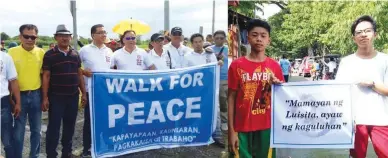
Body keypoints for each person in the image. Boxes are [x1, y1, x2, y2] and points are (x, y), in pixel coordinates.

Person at [228, 19, 284, 158]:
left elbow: (284, 100)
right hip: (241, 128)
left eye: (263, 36)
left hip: (267, 128)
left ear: (268, 40)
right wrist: (231, 131)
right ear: (247, 38)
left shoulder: (275, 66)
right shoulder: (236, 65)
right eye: (255, 35)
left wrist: (277, 87)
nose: (259, 39)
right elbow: (231, 98)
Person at [336, 15, 388, 158]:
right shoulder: (346, 62)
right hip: (355, 121)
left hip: (382, 119)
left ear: (375, 34)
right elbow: (338, 92)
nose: (363, 35)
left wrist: (372, 84)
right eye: (358, 32)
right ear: (354, 38)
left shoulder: (385, 60)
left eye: (367, 31)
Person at [42, 24, 87, 158]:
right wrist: (45, 97)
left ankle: (66, 153)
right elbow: (46, 76)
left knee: (69, 127)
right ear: (56, 37)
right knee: (54, 128)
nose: (64, 38)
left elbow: (79, 74)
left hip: (73, 97)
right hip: (56, 97)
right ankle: (51, 154)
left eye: (67, 36)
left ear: (71, 38)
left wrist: (83, 93)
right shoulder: (50, 55)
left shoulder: (75, 54)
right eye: (61, 36)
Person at [8, 24, 45, 158]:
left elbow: (44, 75)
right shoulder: (11, 52)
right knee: (18, 131)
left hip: (36, 95)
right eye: (26, 36)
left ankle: (33, 155)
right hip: (19, 97)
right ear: (20, 37)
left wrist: (45, 97)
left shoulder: (41, 53)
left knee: (36, 131)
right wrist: (11, 99)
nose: (30, 39)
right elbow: (8, 78)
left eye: (33, 37)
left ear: (37, 38)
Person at [79, 24, 113, 158]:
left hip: (106, 92)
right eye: (100, 33)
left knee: (106, 119)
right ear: (93, 35)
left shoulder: (109, 51)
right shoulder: (84, 50)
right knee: (89, 121)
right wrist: (83, 71)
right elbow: (76, 67)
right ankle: (87, 148)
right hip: (90, 91)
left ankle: (103, 145)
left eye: (105, 32)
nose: (104, 35)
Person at [209, 30, 229, 148]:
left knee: (224, 100)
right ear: (213, 38)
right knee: (217, 101)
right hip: (213, 77)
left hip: (226, 78)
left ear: (225, 38)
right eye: (217, 38)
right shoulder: (209, 50)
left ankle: (224, 121)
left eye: (222, 38)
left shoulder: (229, 49)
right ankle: (219, 123)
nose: (219, 40)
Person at [0, 50, 21, 158]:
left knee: (7, 140)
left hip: (2, 102)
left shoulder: (5, 57)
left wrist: (17, 103)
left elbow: (13, 81)